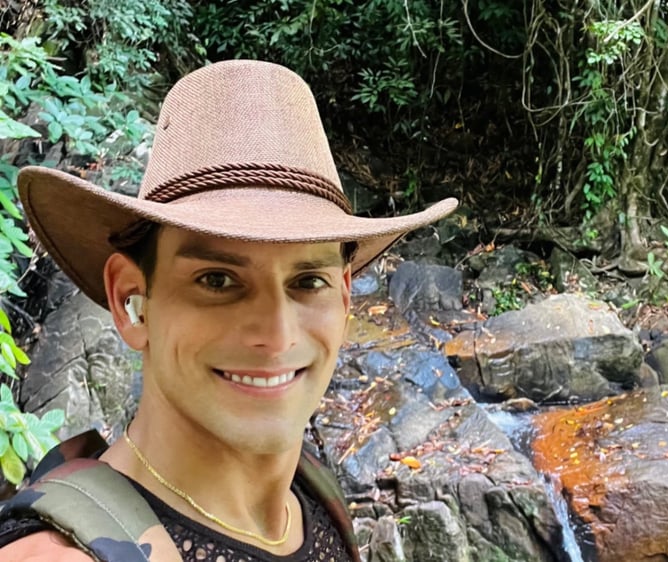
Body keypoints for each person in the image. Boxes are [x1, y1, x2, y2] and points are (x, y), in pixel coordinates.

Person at [0, 60, 456, 561]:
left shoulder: (314, 500)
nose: (277, 335)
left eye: (308, 282)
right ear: (131, 302)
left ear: (345, 298)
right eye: (217, 280)